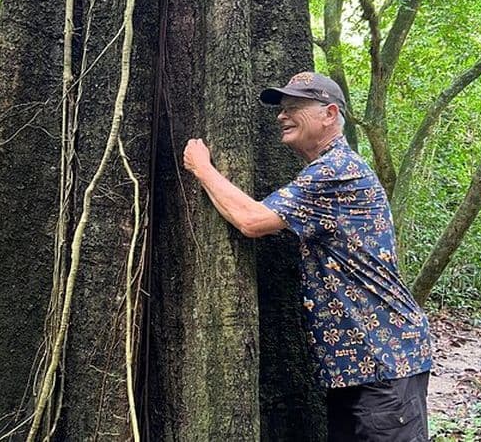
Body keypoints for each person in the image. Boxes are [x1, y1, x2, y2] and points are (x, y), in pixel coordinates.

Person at [183, 71, 433, 441]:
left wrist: (201, 168)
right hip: (354, 366)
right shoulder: (325, 171)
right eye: (281, 108)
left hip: (384, 361)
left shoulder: (338, 170)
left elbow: (252, 221)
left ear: (329, 114)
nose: (282, 116)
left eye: (295, 107)